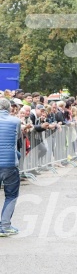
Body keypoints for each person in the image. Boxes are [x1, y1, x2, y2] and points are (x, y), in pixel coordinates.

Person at [0, 98, 22, 237]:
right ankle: (5, 225)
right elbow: (18, 137)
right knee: (11, 195)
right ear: (9, 108)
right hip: (9, 164)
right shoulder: (16, 121)